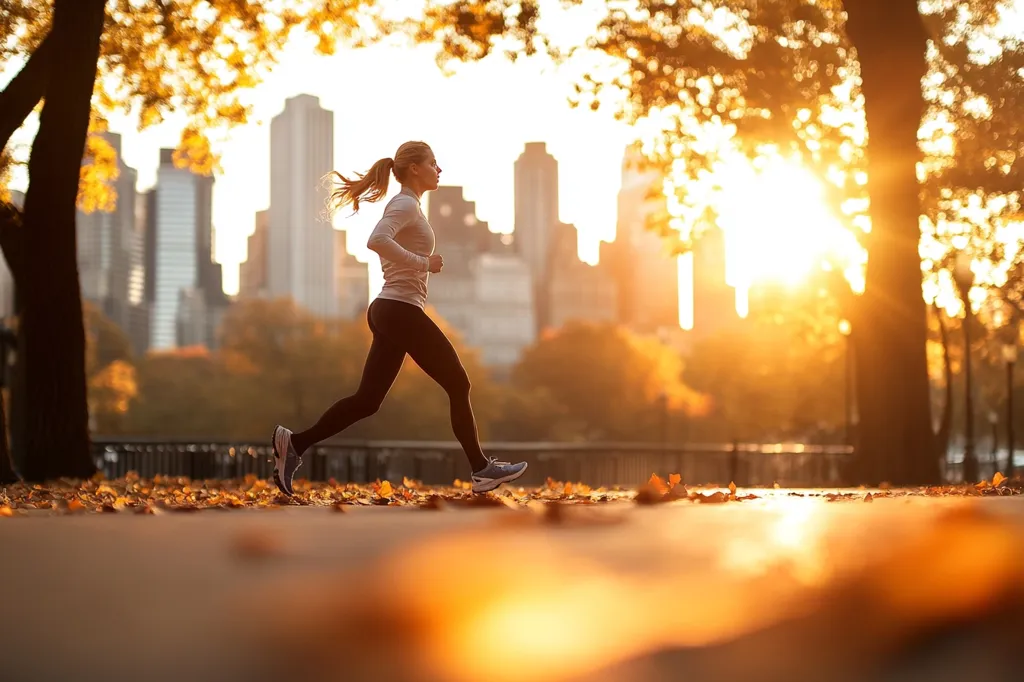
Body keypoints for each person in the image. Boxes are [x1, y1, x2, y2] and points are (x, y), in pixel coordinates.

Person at [271, 141, 528, 496]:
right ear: (414, 169)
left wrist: (418, 263)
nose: (440, 169)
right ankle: (481, 469)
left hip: (391, 310)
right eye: (434, 163)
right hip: (399, 310)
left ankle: (294, 443)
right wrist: (424, 263)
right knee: (459, 384)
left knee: (366, 401)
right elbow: (376, 240)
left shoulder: (410, 206)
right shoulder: (406, 203)